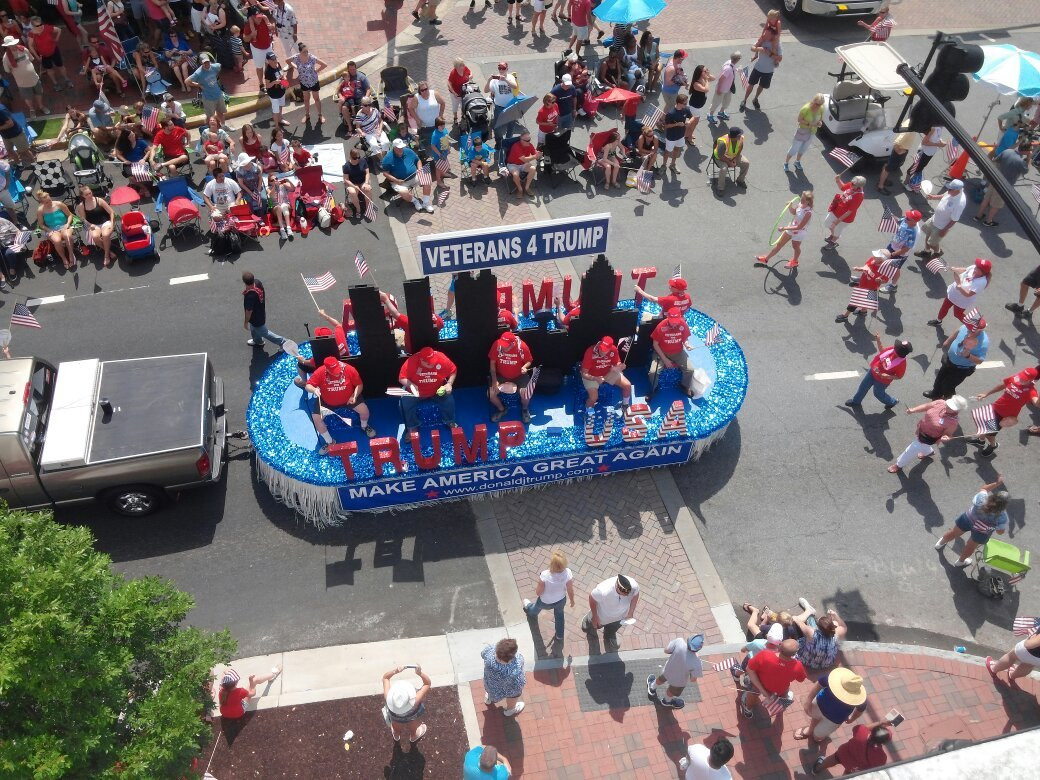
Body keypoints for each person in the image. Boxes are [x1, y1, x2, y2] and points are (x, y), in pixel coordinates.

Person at [304, 356, 376, 452]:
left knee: (364, 411)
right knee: (316, 419)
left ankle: (364, 426)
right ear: (327, 370)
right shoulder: (320, 372)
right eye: (334, 371)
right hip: (326, 402)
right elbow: (308, 386)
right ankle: (329, 442)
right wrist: (314, 389)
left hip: (348, 399)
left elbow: (359, 384)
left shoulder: (349, 369)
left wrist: (354, 396)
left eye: (338, 370)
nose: (337, 373)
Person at [935, 476, 1009, 566]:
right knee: (970, 547)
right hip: (981, 532)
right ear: (1004, 506)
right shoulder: (1002, 517)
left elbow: (984, 488)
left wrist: (997, 483)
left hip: (967, 519)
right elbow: (1000, 532)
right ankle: (960, 562)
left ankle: (940, 543)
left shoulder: (982, 498)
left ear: (993, 496)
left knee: (954, 533)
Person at [971, 366, 1040, 457]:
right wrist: (986, 394)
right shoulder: (1014, 378)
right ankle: (981, 441)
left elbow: (1037, 404)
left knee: (990, 435)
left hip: (1004, 416)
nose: (1021, 379)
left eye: (1024, 379)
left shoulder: (1031, 391)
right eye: (1021, 376)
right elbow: (1001, 386)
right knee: (983, 425)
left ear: (1031, 380)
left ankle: (993, 445)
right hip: (994, 408)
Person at [888, 396, 966, 473]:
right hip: (921, 429)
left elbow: (948, 434)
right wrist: (913, 410)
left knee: (912, 449)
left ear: (958, 410)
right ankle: (929, 452)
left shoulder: (953, 422)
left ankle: (899, 465)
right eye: (948, 404)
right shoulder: (941, 402)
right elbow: (926, 406)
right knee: (921, 446)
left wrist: (946, 437)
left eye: (951, 407)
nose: (947, 406)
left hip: (928, 437)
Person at [795, 667, 867, 745]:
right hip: (819, 704)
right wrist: (808, 700)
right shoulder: (832, 679)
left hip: (834, 719)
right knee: (814, 717)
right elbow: (819, 685)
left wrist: (852, 719)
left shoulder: (860, 699)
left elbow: (860, 709)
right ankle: (810, 730)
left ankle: (818, 737)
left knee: (818, 735)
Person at [925, 318, 989, 400]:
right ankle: (936, 394)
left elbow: (980, 360)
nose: (968, 328)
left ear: (979, 330)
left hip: (961, 369)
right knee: (939, 378)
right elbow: (958, 331)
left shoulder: (983, 342)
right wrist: (948, 340)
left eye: (973, 328)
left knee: (948, 386)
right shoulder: (967, 326)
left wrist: (968, 356)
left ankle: (950, 402)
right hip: (949, 360)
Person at [741, 638, 806, 718]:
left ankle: (748, 709)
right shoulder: (798, 666)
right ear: (794, 654)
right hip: (779, 688)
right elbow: (801, 679)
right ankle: (779, 707)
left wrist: (762, 691)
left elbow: (749, 669)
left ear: (779, 646)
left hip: (761, 683)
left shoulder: (765, 655)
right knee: (785, 694)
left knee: (753, 694)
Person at [398, 345, 457, 434]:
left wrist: (449, 384)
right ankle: (412, 427)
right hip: (416, 392)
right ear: (421, 360)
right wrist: (411, 385)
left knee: (449, 399)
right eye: (429, 363)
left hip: (436, 390)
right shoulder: (411, 362)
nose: (432, 364)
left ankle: (449, 421)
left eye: (433, 362)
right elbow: (401, 378)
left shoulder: (441, 358)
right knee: (406, 402)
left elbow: (453, 371)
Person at [522, 550, 574, 646]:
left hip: (545, 601)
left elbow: (538, 592)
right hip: (561, 600)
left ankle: (529, 608)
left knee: (535, 608)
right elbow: (570, 589)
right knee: (559, 616)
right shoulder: (568, 573)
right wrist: (572, 600)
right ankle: (559, 635)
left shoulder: (545, 575)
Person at [845, 335, 911, 410]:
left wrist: (887, 376)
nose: (894, 348)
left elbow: (899, 376)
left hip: (882, 381)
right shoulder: (892, 349)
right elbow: (882, 351)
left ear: (900, 353)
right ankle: (856, 401)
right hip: (873, 372)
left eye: (896, 348)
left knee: (878, 394)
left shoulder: (902, 364)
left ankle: (892, 402)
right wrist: (878, 341)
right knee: (863, 387)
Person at [974, 140, 1030, 227]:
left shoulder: (1007, 151)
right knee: (996, 204)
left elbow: (996, 161)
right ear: (1026, 151)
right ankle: (988, 221)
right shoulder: (1021, 162)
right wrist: (1029, 158)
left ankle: (978, 216)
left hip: (995, 179)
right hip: (1005, 186)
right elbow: (1026, 171)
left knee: (987, 198)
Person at [927, 257, 992, 329]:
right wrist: (954, 269)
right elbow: (965, 270)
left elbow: (968, 294)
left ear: (981, 272)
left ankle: (973, 326)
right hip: (953, 293)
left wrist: (959, 286)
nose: (975, 266)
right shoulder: (974, 267)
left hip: (962, 300)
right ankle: (938, 321)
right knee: (944, 307)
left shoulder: (981, 282)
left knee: (958, 314)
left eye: (978, 267)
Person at [755, 190, 813, 269]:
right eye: (802, 197)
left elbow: (799, 227)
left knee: (795, 247)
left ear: (808, 201)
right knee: (779, 244)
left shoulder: (808, 213)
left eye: (804, 199)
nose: (801, 199)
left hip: (799, 232)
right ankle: (766, 259)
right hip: (792, 227)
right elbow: (794, 213)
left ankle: (795, 261)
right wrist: (790, 207)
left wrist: (784, 228)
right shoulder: (800, 204)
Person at [582, 574, 639, 652]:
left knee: (613, 628)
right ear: (618, 588)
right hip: (602, 616)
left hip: (620, 617)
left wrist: (631, 612)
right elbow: (592, 599)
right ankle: (588, 624)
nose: (627, 596)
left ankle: (609, 635)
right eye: (624, 594)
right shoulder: (602, 590)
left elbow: (635, 595)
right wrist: (595, 616)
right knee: (592, 624)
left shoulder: (633, 586)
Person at [647, 632, 704, 709]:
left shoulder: (679, 642)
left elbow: (666, 650)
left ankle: (652, 687)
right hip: (679, 681)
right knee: (671, 692)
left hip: (668, 670)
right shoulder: (697, 663)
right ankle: (666, 702)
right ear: (699, 648)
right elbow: (693, 680)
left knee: (661, 679)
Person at [382, 665, 431, 752]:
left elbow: (385, 677)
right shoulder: (415, 701)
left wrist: (395, 671)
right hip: (411, 715)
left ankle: (396, 734)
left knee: (395, 723)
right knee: (413, 723)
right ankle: (414, 736)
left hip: (395, 716)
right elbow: (427, 683)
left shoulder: (387, 696)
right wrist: (420, 673)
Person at [813, 721, 892, 775]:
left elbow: (860, 727)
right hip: (854, 767)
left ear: (872, 732)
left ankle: (816, 770)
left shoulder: (862, 733)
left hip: (843, 753)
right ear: (883, 743)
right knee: (848, 776)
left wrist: (880, 723)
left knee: (832, 760)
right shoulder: (881, 757)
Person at [488, 331, 533, 424]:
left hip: (519, 376)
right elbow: (492, 363)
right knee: (491, 394)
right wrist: (494, 380)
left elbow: (529, 361)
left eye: (506, 346)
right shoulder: (497, 344)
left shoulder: (522, 347)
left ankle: (524, 410)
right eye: (502, 345)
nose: (503, 348)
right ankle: (502, 409)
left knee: (526, 393)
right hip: (501, 375)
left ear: (513, 344)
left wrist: (524, 367)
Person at [648, 307, 694, 398]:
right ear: (667, 318)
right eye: (672, 321)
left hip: (678, 352)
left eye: (677, 320)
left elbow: (685, 338)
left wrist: (687, 345)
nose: (675, 323)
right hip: (661, 352)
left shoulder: (683, 324)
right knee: (653, 372)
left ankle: (684, 386)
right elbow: (655, 344)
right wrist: (665, 360)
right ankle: (654, 388)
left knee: (690, 369)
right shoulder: (661, 326)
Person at [916, 179, 966, 260]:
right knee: (928, 235)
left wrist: (945, 230)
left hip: (941, 226)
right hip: (934, 219)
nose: (948, 190)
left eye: (950, 189)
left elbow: (954, 219)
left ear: (957, 190)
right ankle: (927, 251)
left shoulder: (959, 203)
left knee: (932, 243)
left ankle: (937, 252)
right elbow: (944, 195)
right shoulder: (951, 192)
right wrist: (933, 197)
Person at [580, 336, 632, 412]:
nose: (601, 351)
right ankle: (589, 412)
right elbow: (584, 373)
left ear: (610, 348)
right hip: (592, 375)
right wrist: (595, 378)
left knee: (627, 385)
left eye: (605, 350)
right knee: (593, 397)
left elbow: (617, 362)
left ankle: (625, 405)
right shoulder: (590, 351)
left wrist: (619, 367)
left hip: (608, 372)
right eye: (601, 348)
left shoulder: (614, 349)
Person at [876, 209, 922, 293]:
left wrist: (895, 253)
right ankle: (872, 275)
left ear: (914, 221)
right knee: (882, 259)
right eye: (907, 216)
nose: (905, 218)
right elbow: (898, 220)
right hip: (892, 246)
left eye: (908, 218)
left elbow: (907, 248)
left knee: (895, 269)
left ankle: (893, 285)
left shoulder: (913, 232)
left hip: (900, 253)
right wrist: (891, 215)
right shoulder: (906, 220)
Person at [382, 138, 433, 213]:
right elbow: (385, 173)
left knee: (427, 178)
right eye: (399, 148)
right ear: (394, 148)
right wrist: (396, 181)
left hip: (414, 176)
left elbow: (418, 160)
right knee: (404, 193)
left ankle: (425, 203)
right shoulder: (387, 158)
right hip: (400, 182)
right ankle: (415, 201)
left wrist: (419, 168)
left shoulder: (408, 151)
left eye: (402, 147)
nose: (401, 149)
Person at [792, 605, 847, 671]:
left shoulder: (811, 633)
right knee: (836, 623)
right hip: (826, 663)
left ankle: (809, 611)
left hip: (807, 661)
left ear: (818, 627)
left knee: (810, 619)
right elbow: (844, 627)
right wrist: (835, 615)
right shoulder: (836, 633)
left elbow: (797, 621)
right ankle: (810, 611)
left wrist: (795, 617)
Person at [740, 25, 781, 111]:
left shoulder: (777, 44)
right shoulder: (762, 40)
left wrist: (768, 52)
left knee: (761, 86)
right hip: (758, 68)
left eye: (767, 34)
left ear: (773, 35)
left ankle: (755, 99)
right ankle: (744, 100)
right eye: (765, 33)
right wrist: (760, 49)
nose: (765, 35)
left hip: (769, 71)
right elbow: (752, 48)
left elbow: (779, 58)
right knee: (751, 84)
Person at [481, 639, 526, 717]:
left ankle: (489, 699)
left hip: (491, 684)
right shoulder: (516, 667)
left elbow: (482, 654)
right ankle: (510, 710)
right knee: (514, 696)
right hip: (508, 689)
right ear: (511, 658)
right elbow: (520, 682)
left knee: (490, 689)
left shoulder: (490, 651)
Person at [242, 271, 288, 349]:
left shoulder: (250, 296)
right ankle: (258, 341)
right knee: (253, 328)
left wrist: (246, 322)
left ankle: (283, 342)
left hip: (256, 318)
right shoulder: (257, 282)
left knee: (265, 333)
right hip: (260, 312)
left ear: (244, 282)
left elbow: (249, 311)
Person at [2, 36, 45, 117]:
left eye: (14, 44)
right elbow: (7, 70)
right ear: (7, 46)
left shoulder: (24, 49)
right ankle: (32, 109)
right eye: (10, 45)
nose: (13, 46)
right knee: (28, 97)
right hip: (22, 83)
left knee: (39, 93)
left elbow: (31, 59)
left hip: (34, 78)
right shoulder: (6, 58)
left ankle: (41, 106)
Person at [216, 666, 281, 720]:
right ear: (236, 683)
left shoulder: (221, 690)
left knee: (226, 670)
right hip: (238, 713)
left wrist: (226, 673)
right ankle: (272, 675)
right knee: (255, 680)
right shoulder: (240, 691)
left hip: (224, 713)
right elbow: (253, 693)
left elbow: (225, 671)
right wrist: (251, 681)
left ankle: (271, 675)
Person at [75, 185, 116, 268]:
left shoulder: (99, 200)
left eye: (90, 193)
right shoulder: (81, 206)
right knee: (95, 237)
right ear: (83, 196)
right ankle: (108, 251)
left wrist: (112, 223)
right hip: (94, 225)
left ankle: (106, 256)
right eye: (87, 195)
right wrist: (90, 225)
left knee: (105, 235)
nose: (89, 195)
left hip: (105, 222)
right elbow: (83, 219)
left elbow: (111, 212)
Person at [26, 16, 70, 91]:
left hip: (54, 51)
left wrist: (57, 39)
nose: (40, 26)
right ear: (33, 25)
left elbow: (59, 30)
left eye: (40, 24)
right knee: (49, 69)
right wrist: (37, 56)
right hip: (44, 55)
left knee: (60, 66)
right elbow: (30, 46)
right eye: (37, 25)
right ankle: (55, 83)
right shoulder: (31, 34)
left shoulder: (47, 28)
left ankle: (67, 80)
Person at [287, 43, 327, 125]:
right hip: (304, 82)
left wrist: (316, 71)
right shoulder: (296, 57)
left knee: (316, 99)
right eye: (304, 52)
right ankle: (307, 115)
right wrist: (295, 67)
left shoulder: (312, 57)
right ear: (300, 52)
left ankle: (320, 115)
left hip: (313, 82)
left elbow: (324, 64)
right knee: (306, 99)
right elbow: (287, 61)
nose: (306, 53)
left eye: (307, 51)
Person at [34, 190, 75, 269]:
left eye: (49, 200)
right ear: (42, 203)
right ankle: (64, 258)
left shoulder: (59, 204)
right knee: (57, 241)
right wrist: (49, 230)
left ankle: (71, 254)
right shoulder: (40, 210)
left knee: (67, 236)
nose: (49, 202)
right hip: (51, 228)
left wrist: (67, 224)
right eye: (46, 202)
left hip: (64, 225)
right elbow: (41, 225)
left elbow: (70, 215)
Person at [785, 94, 825, 171]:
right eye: (817, 104)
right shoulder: (805, 109)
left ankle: (797, 162)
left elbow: (820, 119)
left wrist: (820, 123)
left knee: (804, 148)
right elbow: (799, 120)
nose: (818, 106)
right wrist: (811, 124)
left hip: (812, 132)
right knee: (794, 148)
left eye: (820, 104)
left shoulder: (821, 108)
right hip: (802, 131)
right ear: (813, 101)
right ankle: (786, 163)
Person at [823, 175, 865, 246]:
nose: (851, 185)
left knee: (837, 230)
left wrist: (836, 222)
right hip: (836, 210)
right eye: (852, 182)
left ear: (859, 186)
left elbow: (849, 211)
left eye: (853, 184)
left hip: (844, 219)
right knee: (828, 223)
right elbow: (842, 187)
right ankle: (833, 235)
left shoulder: (859, 196)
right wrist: (838, 180)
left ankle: (833, 242)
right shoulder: (852, 184)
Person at [187, 53, 225, 126]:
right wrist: (198, 85)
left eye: (208, 62)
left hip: (218, 94)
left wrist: (216, 76)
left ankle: (223, 126)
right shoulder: (198, 73)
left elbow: (219, 65)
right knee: (210, 117)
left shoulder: (214, 66)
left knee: (221, 112)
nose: (207, 64)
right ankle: (209, 129)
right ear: (201, 63)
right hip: (208, 98)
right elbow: (187, 81)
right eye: (205, 63)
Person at [407, 80, 446, 150]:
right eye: (422, 90)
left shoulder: (434, 94)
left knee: (441, 141)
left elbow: (443, 103)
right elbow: (410, 108)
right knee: (428, 144)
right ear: (419, 91)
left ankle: (441, 150)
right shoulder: (417, 97)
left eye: (426, 89)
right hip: (424, 127)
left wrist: (441, 115)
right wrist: (417, 119)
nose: (425, 91)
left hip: (437, 125)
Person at [242, 6, 275, 86]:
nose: (260, 18)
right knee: (259, 67)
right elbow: (245, 39)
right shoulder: (248, 26)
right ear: (252, 17)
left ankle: (269, 81)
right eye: (257, 17)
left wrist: (273, 27)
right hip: (257, 49)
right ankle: (261, 83)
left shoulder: (264, 20)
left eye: (260, 16)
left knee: (270, 65)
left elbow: (272, 26)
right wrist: (251, 35)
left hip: (268, 47)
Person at [707, 52, 741, 126]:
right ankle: (710, 115)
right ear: (737, 59)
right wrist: (719, 89)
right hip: (722, 89)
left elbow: (733, 69)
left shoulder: (730, 63)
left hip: (728, 89)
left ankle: (721, 112)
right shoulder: (728, 69)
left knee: (727, 101)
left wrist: (737, 70)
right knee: (716, 103)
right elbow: (721, 79)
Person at [663, 92, 693, 172]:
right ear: (679, 103)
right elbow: (666, 126)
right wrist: (676, 124)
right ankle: (664, 165)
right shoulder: (671, 113)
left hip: (681, 136)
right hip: (671, 137)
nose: (687, 104)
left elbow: (691, 117)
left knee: (677, 150)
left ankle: (672, 164)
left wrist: (689, 121)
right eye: (685, 103)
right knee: (667, 151)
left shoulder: (686, 109)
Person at [713, 127, 749, 192]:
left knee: (746, 163)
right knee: (724, 169)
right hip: (720, 158)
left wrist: (734, 159)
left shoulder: (740, 138)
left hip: (733, 156)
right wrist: (729, 163)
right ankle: (720, 188)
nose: (740, 136)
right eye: (739, 135)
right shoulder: (723, 142)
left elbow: (740, 149)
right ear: (734, 137)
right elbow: (720, 156)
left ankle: (740, 180)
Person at [506, 131, 539, 197]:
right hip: (513, 164)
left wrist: (538, 154)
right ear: (521, 140)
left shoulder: (530, 145)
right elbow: (524, 159)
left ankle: (527, 188)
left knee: (533, 169)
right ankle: (520, 189)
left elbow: (535, 155)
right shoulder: (516, 146)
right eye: (526, 140)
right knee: (515, 175)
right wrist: (535, 156)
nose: (529, 142)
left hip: (523, 164)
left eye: (529, 140)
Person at [342, 147, 373, 218]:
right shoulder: (346, 166)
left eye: (358, 157)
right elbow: (346, 179)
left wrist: (366, 182)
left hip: (362, 181)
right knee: (353, 192)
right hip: (352, 183)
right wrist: (354, 186)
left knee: (367, 189)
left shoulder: (363, 161)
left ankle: (368, 208)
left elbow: (367, 173)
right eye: (354, 158)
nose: (357, 159)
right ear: (350, 157)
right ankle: (358, 209)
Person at [0, 100, 31, 165]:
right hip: (5, 136)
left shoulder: (1, 111)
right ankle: (18, 164)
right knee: (9, 151)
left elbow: (10, 124)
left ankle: (35, 165)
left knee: (24, 152)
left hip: (16, 135)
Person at [447, 57, 471, 125]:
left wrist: (470, 76)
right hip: (455, 93)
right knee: (455, 105)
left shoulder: (465, 68)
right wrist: (454, 93)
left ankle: (462, 115)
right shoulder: (453, 73)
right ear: (456, 66)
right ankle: (455, 118)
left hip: (463, 91)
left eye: (463, 64)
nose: (463, 67)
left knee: (463, 104)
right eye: (460, 65)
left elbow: (470, 73)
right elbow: (449, 84)